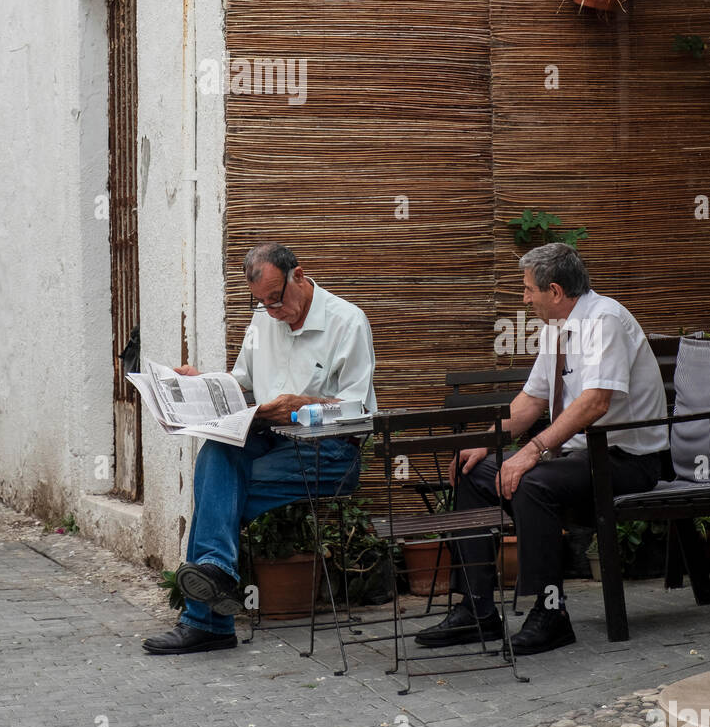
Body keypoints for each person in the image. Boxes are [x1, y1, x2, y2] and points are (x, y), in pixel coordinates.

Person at [415, 243, 667, 656]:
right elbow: (532, 400)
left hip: (627, 461)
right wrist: (486, 440)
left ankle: (551, 613)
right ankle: (478, 608)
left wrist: (530, 451)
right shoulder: (560, 327)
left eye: (528, 289)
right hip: (580, 458)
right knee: (471, 470)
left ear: (554, 290)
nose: (524, 298)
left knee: (532, 482)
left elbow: (595, 401)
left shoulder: (604, 320)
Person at [142, 242, 377, 655]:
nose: (271, 311)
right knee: (217, 451)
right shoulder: (263, 321)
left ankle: (207, 618)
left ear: (298, 277)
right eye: (262, 303)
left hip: (331, 451)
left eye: (276, 298)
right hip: (270, 439)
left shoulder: (347, 322)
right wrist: (201, 384)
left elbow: (358, 410)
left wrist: (304, 406)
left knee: (219, 492)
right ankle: (216, 574)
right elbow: (242, 384)